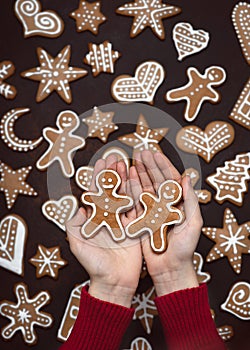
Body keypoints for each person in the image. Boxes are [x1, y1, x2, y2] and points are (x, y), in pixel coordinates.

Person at [60, 150, 226, 350]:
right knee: (133, 225)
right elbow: (142, 201)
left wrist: (175, 272)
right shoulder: (143, 201)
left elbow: (165, 212)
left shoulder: (168, 208)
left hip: (152, 224)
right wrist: (110, 287)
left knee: (147, 231)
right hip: (137, 220)